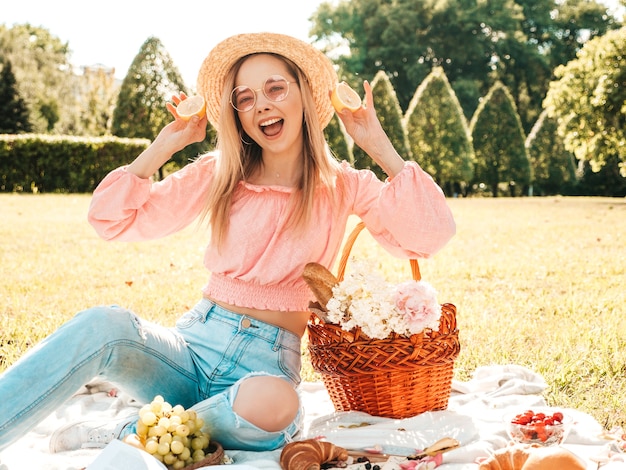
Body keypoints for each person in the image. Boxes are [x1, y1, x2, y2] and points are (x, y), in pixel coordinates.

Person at [0, 32, 456, 454]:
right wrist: (165, 145)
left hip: (265, 368)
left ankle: (134, 430)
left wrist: (377, 145)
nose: (262, 105)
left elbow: (427, 237)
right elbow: (110, 220)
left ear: (304, 96)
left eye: (276, 89)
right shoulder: (218, 174)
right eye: (245, 98)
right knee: (103, 323)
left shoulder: (345, 185)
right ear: (236, 113)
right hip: (190, 350)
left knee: (276, 407)